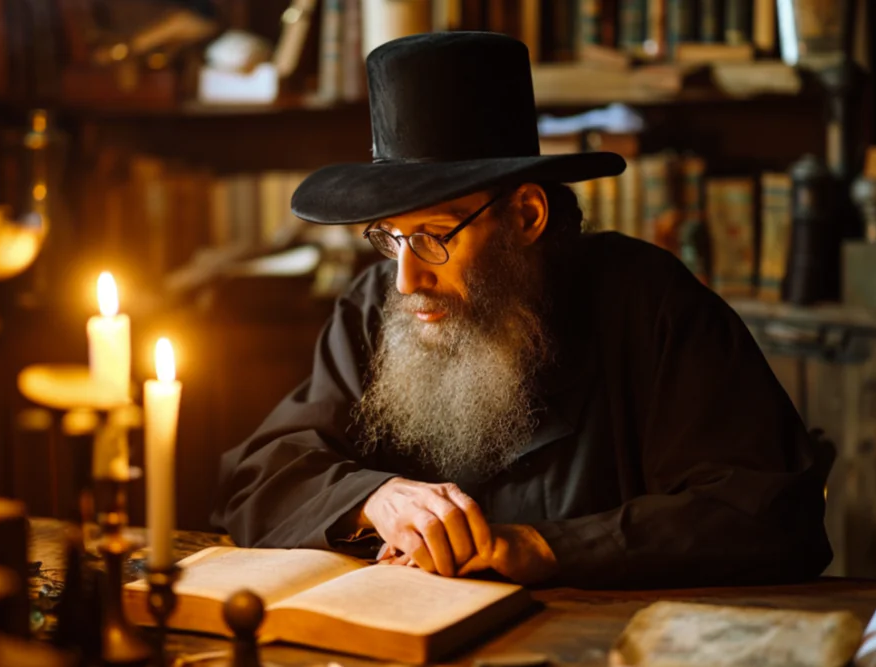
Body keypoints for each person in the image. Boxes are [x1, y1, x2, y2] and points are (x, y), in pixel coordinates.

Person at [211, 31, 832, 588]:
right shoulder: (373, 309)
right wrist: (373, 499)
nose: (405, 278)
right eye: (390, 237)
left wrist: (543, 547)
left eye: (435, 234)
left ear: (527, 216)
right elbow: (259, 477)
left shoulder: (649, 302)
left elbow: (766, 513)